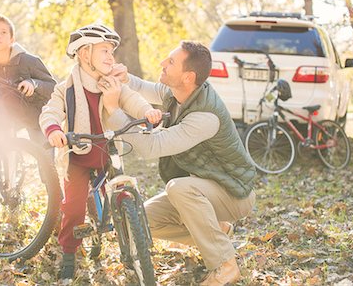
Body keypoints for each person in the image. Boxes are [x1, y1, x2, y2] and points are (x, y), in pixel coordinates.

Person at [104, 41, 257, 285]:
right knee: (141, 223)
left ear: (188, 77)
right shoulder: (180, 94)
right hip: (203, 187)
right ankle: (218, 233)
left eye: (171, 62)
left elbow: (151, 147)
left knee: (178, 187)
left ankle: (225, 265)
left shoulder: (204, 116)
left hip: (234, 193)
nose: (162, 63)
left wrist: (113, 110)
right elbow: (147, 88)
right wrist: (125, 78)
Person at [38, 24, 162, 280]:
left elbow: (132, 100)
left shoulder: (111, 83)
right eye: (104, 50)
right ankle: (69, 254)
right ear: (85, 54)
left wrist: (147, 111)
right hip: (79, 154)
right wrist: (53, 130)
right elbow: (51, 110)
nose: (110, 57)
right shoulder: (67, 88)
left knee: (114, 194)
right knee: (73, 210)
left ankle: (128, 233)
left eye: (112, 52)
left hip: (107, 150)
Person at [0, 13, 56, 204]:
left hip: (35, 117)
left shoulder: (29, 61)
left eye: (3, 32)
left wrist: (34, 84)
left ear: (12, 38)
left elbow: (53, 87)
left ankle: (57, 207)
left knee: (47, 165)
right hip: (6, 118)